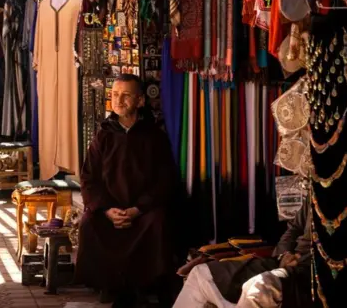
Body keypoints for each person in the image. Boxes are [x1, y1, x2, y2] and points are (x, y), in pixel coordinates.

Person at [75, 74, 178, 307]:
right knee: (89, 223)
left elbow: (165, 180)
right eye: (114, 95)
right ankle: (107, 284)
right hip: (110, 209)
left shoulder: (154, 136)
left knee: (158, 222)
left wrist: (137, 209)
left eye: (126, 95)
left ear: (140, 101)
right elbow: (89, 178)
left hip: (142, 210)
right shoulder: (103, 136)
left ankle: (147, 285)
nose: (118, 100)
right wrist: (107, 209)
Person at [173, 202, 311, 308]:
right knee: (200, 274)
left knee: (258, 288)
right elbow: (294, 228)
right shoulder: (316, 190)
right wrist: (284, 255)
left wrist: (297, 262)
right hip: (283, 261)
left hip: (308, 272)